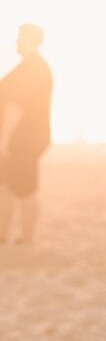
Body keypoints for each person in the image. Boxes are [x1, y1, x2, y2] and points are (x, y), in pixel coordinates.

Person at [0, 25, 53, 246]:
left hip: (23, 138)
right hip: (22, 136)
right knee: (7, 186)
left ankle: (27, 240)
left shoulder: (34, 68)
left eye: (20, 37)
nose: (16, 42)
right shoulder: (29, 67)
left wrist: (4, 139)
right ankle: (4, 236)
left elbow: (16, 107)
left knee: (25, 188)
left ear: (29, 39)